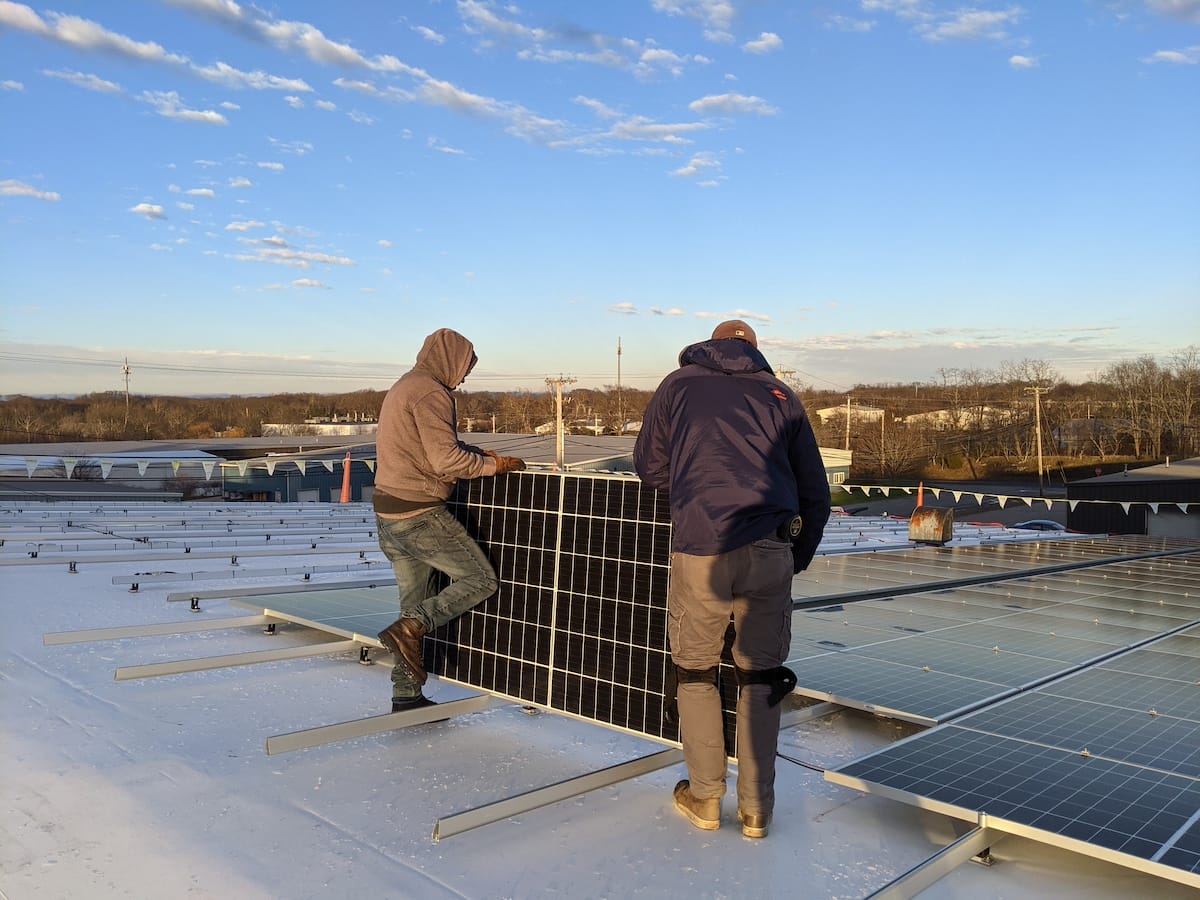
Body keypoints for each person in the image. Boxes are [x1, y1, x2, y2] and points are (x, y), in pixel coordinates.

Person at [633, 319, 830, 838]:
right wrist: (797, 556)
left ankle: (704, 798)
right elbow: (816, 489)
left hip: (703, 547)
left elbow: (650, 466)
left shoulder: (678, 386)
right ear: (754, 350)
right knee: (760, 675)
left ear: (711, 344)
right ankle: (757, 809)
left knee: (695, 670)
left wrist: (696, 491)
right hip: (771, 548)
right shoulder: (782, 395)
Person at [373, 328, 526, 712]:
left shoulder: (405, 385)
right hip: (419, 514)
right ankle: (409, 630)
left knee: (413, 604)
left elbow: (428, 448)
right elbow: (445, 462)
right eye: (465, 367)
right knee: (480, 579)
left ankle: (406, 697)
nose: (465, 376)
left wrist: (479, 452)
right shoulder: (431, 393)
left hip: (388, 514)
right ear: (449, 359)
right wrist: (492, 466)